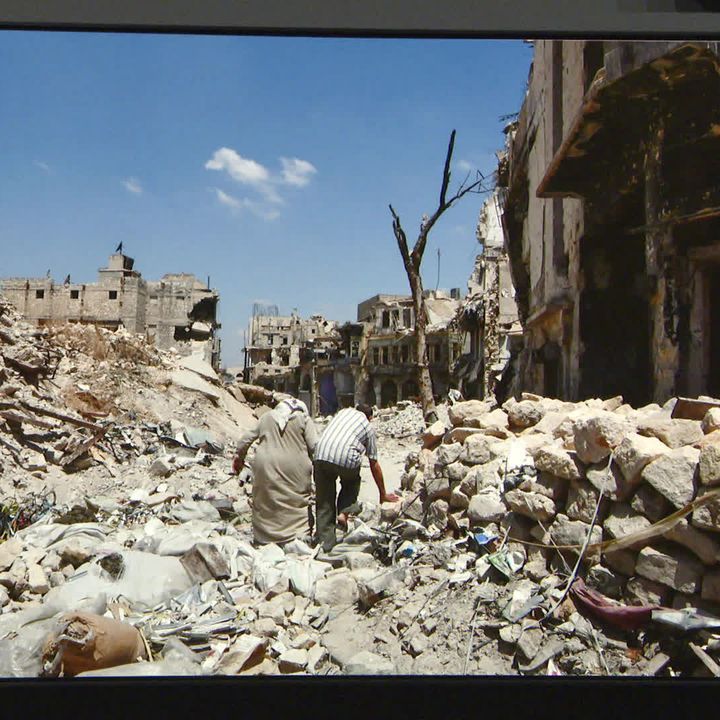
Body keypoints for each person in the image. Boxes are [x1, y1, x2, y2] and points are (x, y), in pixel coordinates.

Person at [313, 404, 399, 551]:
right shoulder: (367, 426)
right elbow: (374, 463)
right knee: (352, 482)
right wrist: (382, 494)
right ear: (370, 417)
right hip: (345, 458)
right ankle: (344, 511)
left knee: (324, 501)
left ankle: (325, 544)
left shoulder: (343, 412)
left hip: (320, 454)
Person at [232, 397, 318, 545]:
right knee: (296, 500)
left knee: (266, 498)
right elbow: (315, 447)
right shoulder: (304, 419)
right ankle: (298, 535)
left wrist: (239, 458)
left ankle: (265, 537)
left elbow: (245, 439)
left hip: (265, 465)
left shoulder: (266, 417)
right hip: (296, 467)